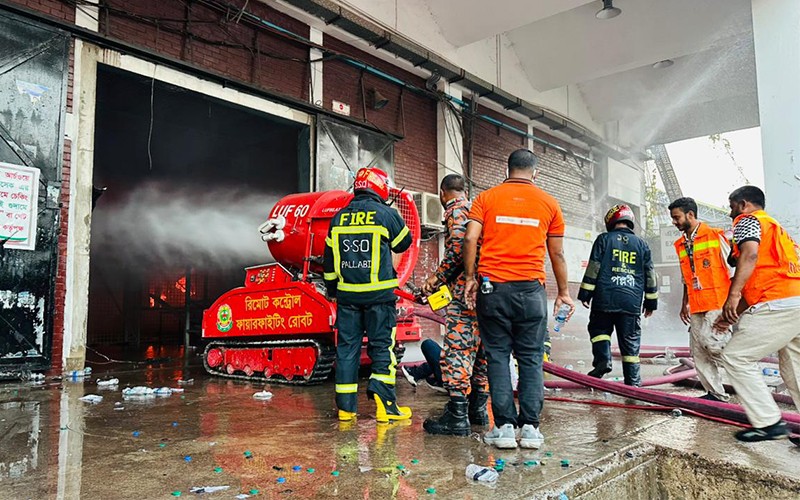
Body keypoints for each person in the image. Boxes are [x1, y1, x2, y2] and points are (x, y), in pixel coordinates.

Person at [463, 148, 574, 450]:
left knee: (497, 356)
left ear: (508, 169)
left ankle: (504, 429)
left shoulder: (486, 198)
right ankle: (531, 430)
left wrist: (471, 277)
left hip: (493, 289)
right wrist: (563, 292)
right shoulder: (550, 203)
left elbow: (470, 237)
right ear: (535, 172)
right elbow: (558, 253)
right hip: (531, 292)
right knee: (531, 358)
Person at [323, 167, 414, 423]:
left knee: (347, 351)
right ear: (380, 186)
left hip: (348, 299)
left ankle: (346, 409)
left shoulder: (338, 218)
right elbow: (404, 243)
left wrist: (333, 291)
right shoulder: (386, 214)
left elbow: (329, 263)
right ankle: (385, 407)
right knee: (382, 348)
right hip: (379, 298)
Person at [712, 186, 800, 442]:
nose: (730, 213)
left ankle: (769, 422)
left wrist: (732, 296)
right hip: (795, 303)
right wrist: (730, 315)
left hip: (778, 304)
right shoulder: (778, 230)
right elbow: (763, 274)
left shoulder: (747, 220)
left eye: (731, 207)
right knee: (794, 368)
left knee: (736, 357)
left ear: (742, 204)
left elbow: (749, 255)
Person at [416, 173, 490, 436]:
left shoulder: (456, 211)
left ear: (442, 192)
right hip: (486, 293)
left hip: (465, 294)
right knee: (482, 354)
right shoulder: (478, 209)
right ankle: (478, 411)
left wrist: (435, 280)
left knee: (457, 351)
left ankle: (457, 417)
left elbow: (459, 249)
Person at [578, 204, 657, 387]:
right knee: (630, 343)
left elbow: (594, 267)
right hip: (631, 302)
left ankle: (603, 361)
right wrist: (651, 302)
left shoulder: (603, 239)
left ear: (611, 220)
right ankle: (633, 383)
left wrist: (585, 293)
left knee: (599, 331)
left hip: (604, 298)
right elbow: (650, 274)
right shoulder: (642, 245)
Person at [668, 197, 732, 402]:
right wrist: (683, 304)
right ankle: (716, 393)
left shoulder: (715, 236)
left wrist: (734, 303)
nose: (674, 222)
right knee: (698, 351)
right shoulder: (680, 244)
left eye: (676, 217)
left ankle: (746, 371)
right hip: (696, 303)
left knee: (713, 344)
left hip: (718, 301)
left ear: (690, 215)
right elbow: (686, 277)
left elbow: (733, 270)